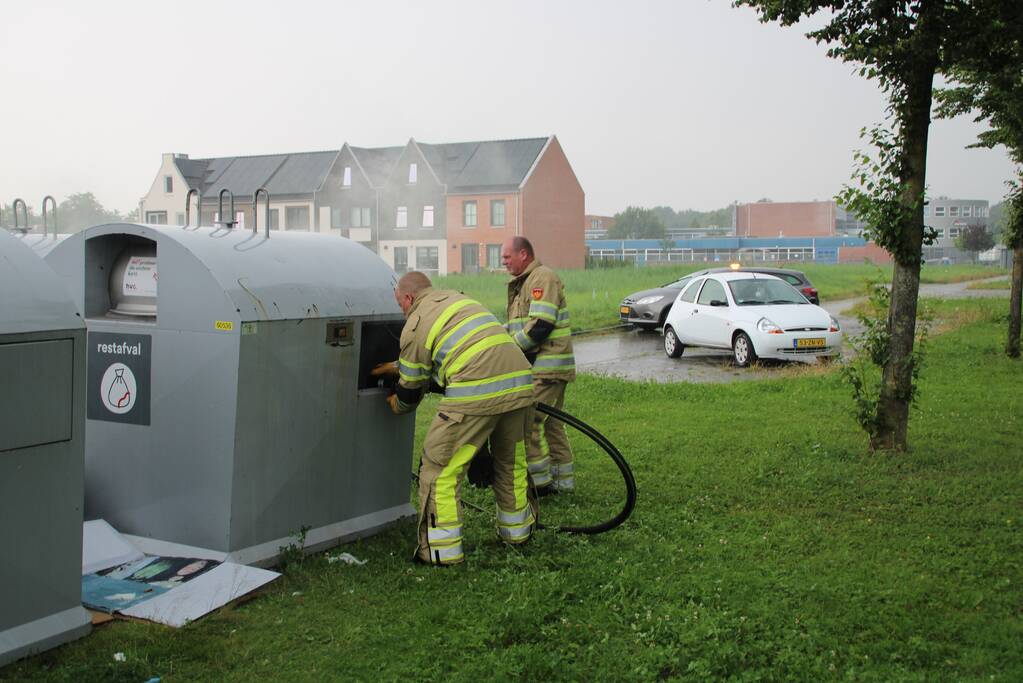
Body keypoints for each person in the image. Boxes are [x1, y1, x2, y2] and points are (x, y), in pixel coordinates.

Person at [374, 271, 537, 566]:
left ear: (408, 298)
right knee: (511, 462)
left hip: (476, 390)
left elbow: (411, 388)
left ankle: (441, 553)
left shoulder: (415, 320)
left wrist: (396, 404)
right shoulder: (456, 300)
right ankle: (517, 535)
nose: (401, 309)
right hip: (521, 383)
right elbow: (457, 346)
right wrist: (396, 365)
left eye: (400, 303)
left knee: (440, 469)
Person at [502, 236, 576, 494]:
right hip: (547, 367)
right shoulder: (525, 282)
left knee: (529, 420)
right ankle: (563, 482)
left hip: (547, 368)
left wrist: (510, 348)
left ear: (524, 254)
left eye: (507, 256)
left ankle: (540, 484)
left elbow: (541, 325)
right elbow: (520, 326)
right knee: (552, 424)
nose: (503, 261)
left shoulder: (542, 278)